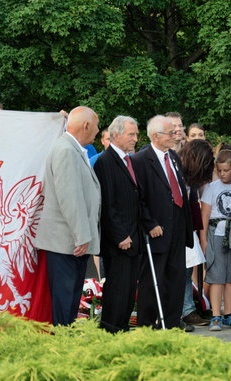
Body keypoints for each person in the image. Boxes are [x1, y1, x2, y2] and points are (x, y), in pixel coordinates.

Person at [35, 106, 101, 326]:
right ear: (86, 125)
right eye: (97, 125)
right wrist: (81, 236)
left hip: (70, 240)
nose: (98, 131)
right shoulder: (65, 150)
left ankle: (67, 342)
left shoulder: (71, 148)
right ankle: (63, 346)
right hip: (66, 241)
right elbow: (69, 197)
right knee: (65, 300)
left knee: (71, 298)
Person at [132, 115, 194, 330]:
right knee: (152, 280)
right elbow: (137, 198)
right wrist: (149, 224)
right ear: (156, 136)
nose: (175, 135)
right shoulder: (140, 160)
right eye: (170, 132)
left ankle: (172, 323)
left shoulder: (174, 158)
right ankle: (147, 325)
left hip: (178, 226)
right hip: (156, 229)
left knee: (176, 278)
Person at [93, 116, 141, 333]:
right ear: (116, 135)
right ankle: (111, 329)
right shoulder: (105, 161)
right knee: (118, 288)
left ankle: (121, 327)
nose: (136, 139)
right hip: (119, 240)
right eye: (131, 134)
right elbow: (107, 203)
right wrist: (120, 235)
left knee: (129, 288)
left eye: (136, 134)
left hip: (133, 236)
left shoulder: (128, 159)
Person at [201, 150, 231, 331]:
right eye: (219, 170)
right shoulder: (211, 188)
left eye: (226, 170)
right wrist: (204, 241)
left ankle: (228, 314)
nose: (222, 174)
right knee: (216, 276)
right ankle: (216, 315)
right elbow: (204, 216)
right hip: (216, 235)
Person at [178, 139, 215, 329]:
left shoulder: (188, 175)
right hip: (178, 228)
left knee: (186, 271)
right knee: (181, 272)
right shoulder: (178, 172)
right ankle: (185, 310)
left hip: (187, 226)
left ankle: (188, 308)